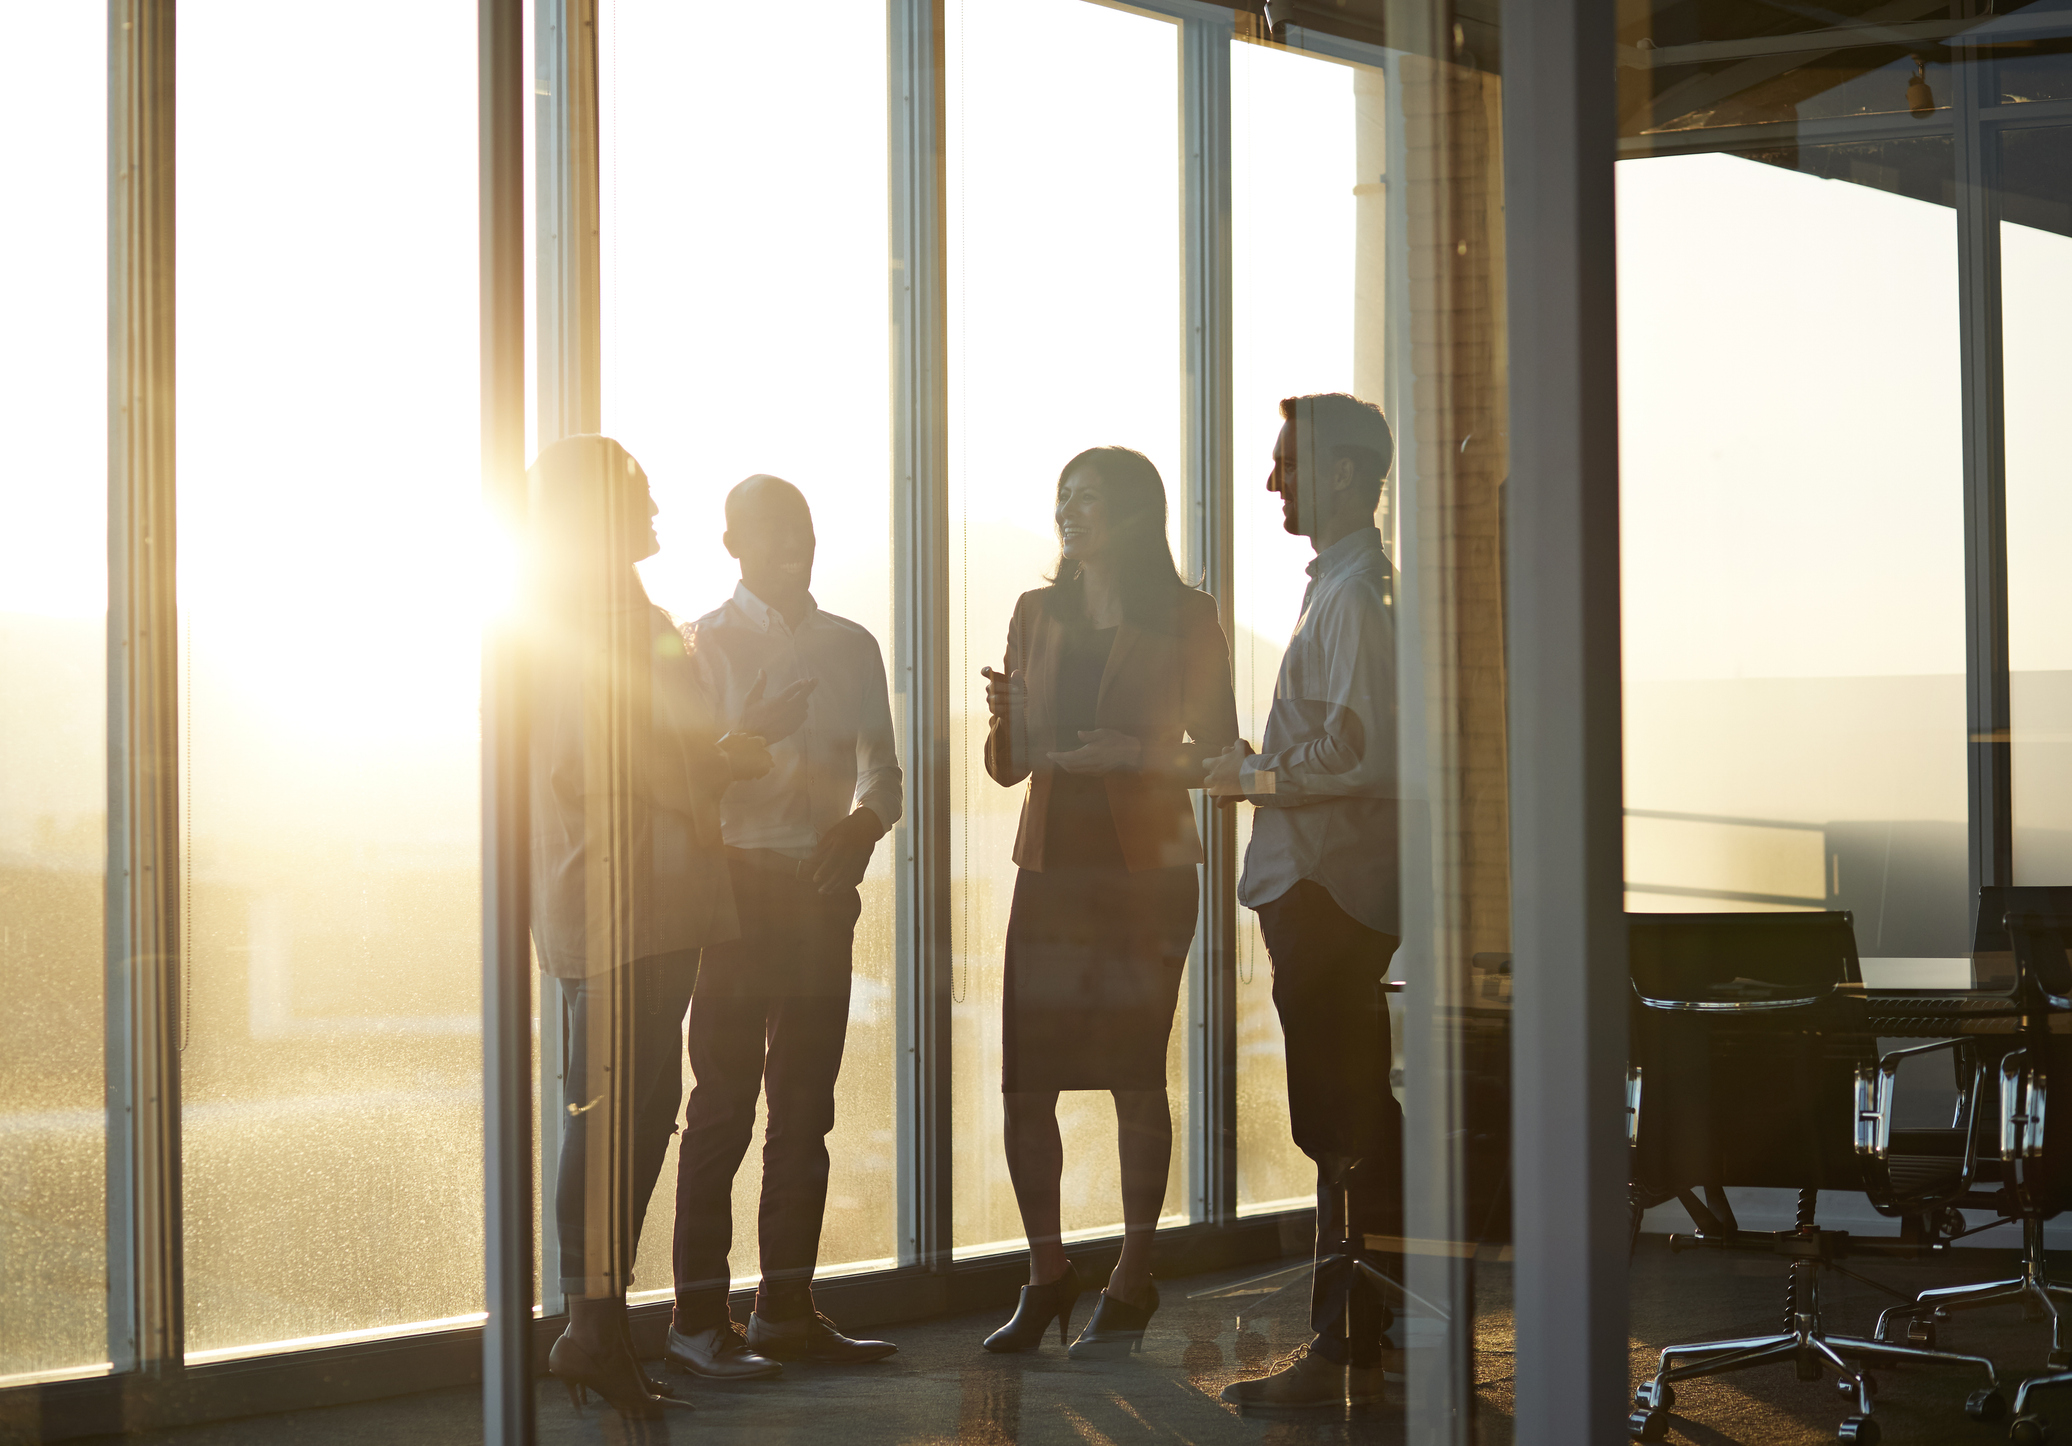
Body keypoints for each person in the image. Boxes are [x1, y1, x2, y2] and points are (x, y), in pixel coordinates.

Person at [528, 434, 781, 1418]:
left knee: (635, 1109)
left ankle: (598, 1320)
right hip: (621, 890)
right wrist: (729, 761)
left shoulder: (612, 614)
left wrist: (715, 750)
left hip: (643, 892)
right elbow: (612, 758)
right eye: (637, 495)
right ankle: (590, 1327)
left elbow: (643, 740)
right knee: (612, 1117)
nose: (656, 514)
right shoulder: (577, 621)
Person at [979, 446, 1239, 1358]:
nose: (1067, 511)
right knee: (1025, 1084)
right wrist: (1007, 714)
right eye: (1062, 496)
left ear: (1134, 513)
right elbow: (1009, 765)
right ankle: (1048, 1276)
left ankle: (1133, 1275)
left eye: (1087, 498)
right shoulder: (1033, 611)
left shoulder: (1186, 616)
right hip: (1050, 870)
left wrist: (1134, 756)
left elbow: (1222, 753)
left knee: (1135, 1074)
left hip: (1146, 877)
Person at [666, 475, 904, 1378]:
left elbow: (885, 770)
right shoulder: (699, 644)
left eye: (800, 527)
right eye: (769, 532)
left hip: (817, 896)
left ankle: (784, 1312)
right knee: (723, 1108)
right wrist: (747, 739)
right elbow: (688, 782)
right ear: (732, 543)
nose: (791, 544)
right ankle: (696, 1323)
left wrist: (864, 823)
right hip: (731, 897)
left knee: (806, 1110)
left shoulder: (853, 645)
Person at [1206, 394, 1404, 1409]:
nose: (1272, 479)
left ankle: (1347, 1352)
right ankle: (1366, 1345)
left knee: (1342, 1127)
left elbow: (1358, 754)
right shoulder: (1340, 586)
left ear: (1338, 474)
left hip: (1325, 889)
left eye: (1286, 463)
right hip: (1324, 885)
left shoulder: (1355, 592)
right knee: (1348, 1121)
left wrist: (1247, 777)